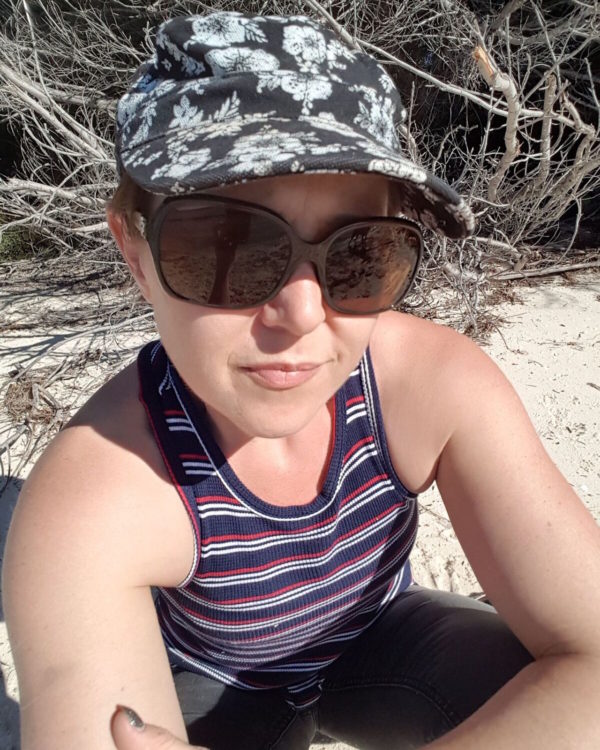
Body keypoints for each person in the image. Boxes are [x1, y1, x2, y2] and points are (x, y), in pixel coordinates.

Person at [4, 11, 600, 750]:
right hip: (216, 679)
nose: (302, 311)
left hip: (378, 638)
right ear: (136, 254)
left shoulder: (433, 387)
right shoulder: (96, 500)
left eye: (361, 252)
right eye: (229, 246)